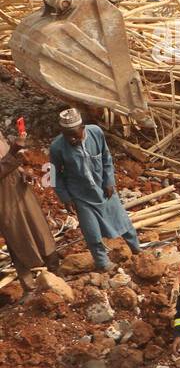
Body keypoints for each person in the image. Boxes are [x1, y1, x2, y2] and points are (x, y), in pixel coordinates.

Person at [48, 109, 140, 273]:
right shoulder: (57, 147)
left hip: (104, 189)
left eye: (75, 135)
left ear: (83, 128)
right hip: (81, 196)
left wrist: (109, 180)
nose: (72, 139)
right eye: (67, 135)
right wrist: (65, 197)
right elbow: (55, 175)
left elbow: (106, 157)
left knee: (123, 223)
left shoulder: (96, 133)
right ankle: (103, 264)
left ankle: (137, 251)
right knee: (92, 233)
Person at [0, 124, 57, 293]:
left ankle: (55, 271)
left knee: (39, 228)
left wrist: (22, 170)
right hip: (4, 200)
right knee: (16, 238)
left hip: (19, 188)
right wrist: (15, 148)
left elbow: (6, 158)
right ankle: (29, 286)